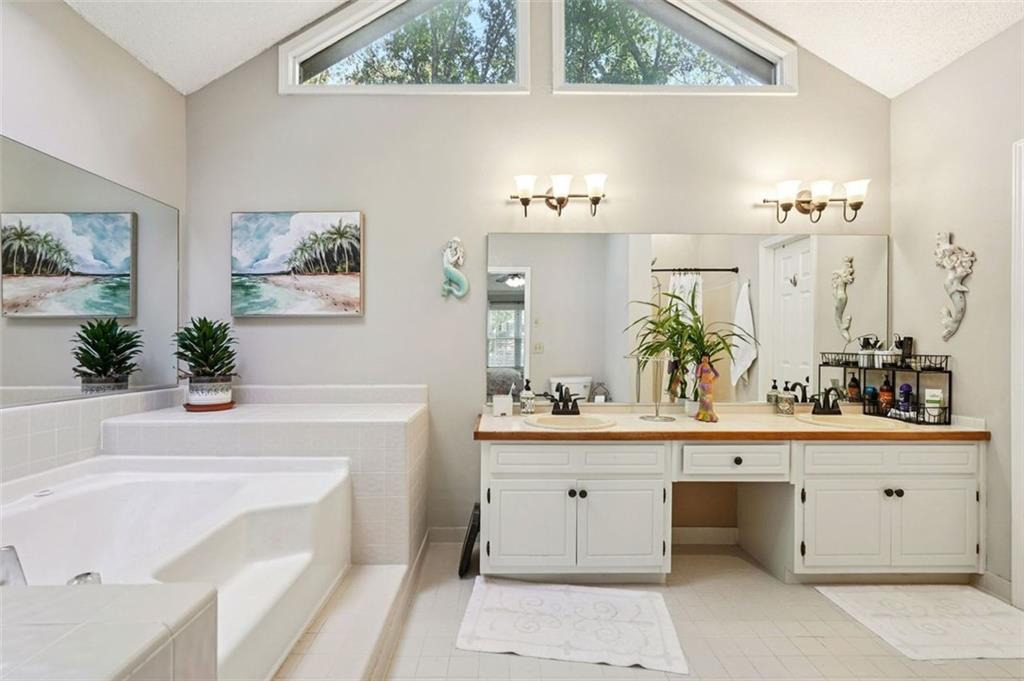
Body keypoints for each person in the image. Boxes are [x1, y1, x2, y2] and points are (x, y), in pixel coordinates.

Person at [695, 354, 720, 423]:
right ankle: (702, 416)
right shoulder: (700, 366)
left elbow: (717, 374)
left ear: (709, 359)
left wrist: (712, 380)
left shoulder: (710, 366)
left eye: (706, 359)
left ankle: (710, 416)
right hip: (702, 384)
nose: (705, 360)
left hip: (709, 385)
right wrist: (699, 367)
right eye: (703, 359)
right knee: (703, 400)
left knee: (709, 400)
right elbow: (697, 375)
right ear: (701, 359)